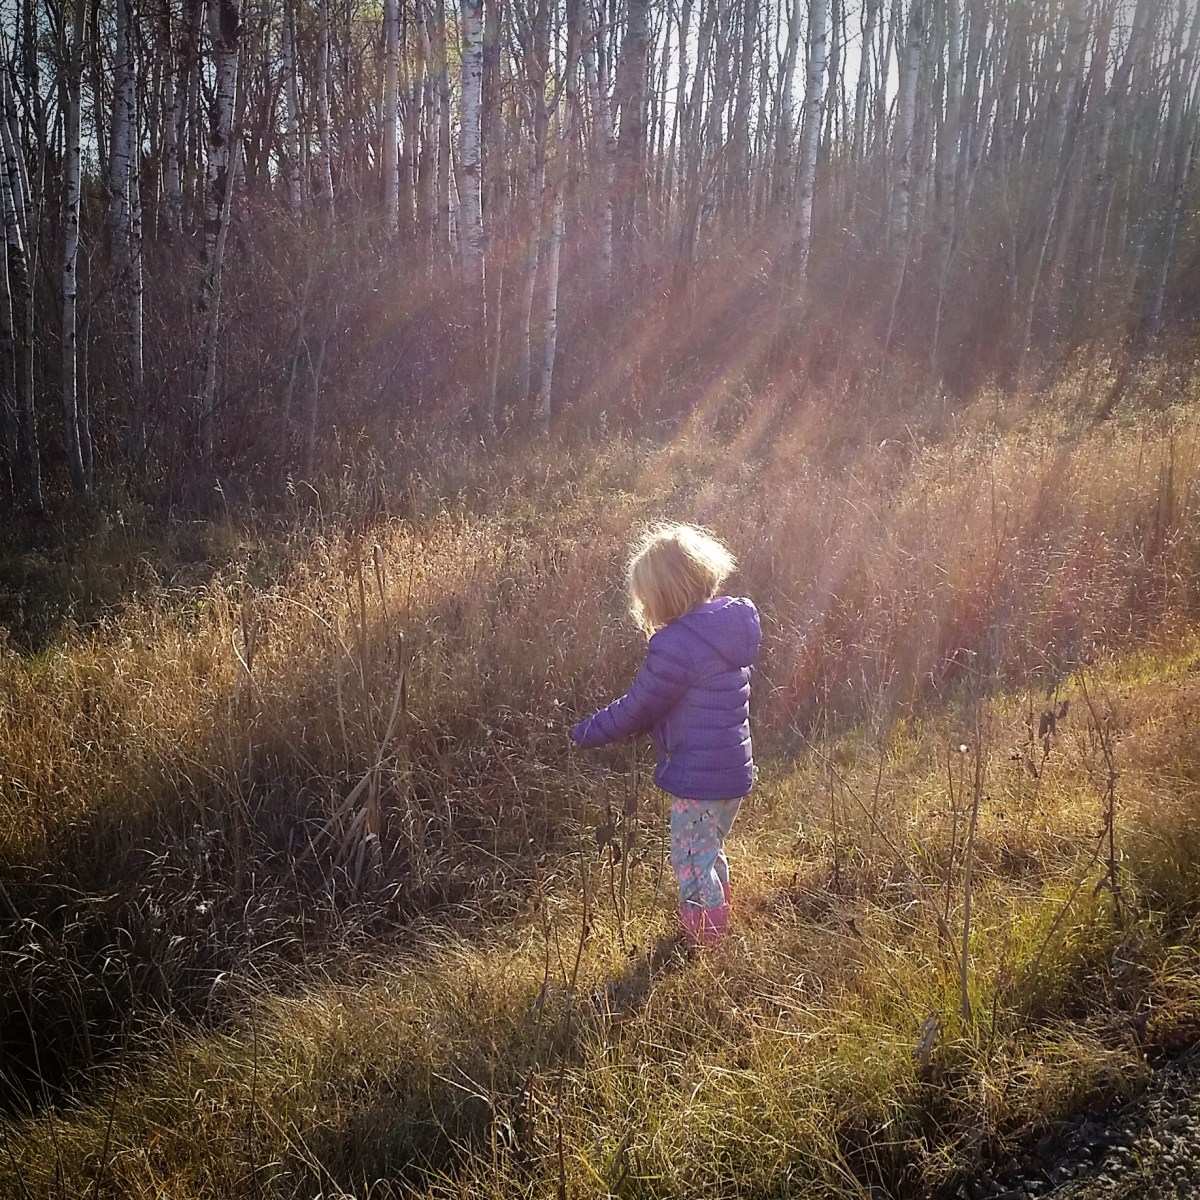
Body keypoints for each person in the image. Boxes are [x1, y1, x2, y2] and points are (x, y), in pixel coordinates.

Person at [571, 523, 761, 947]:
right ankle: (719, 923)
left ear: (662, 596)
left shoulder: (678, 644)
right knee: (708, 850)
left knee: (692, 862)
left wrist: (586, 732)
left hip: (699, 776)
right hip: (732, 769)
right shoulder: (729, 627)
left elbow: (639, 706)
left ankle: (707, 947)